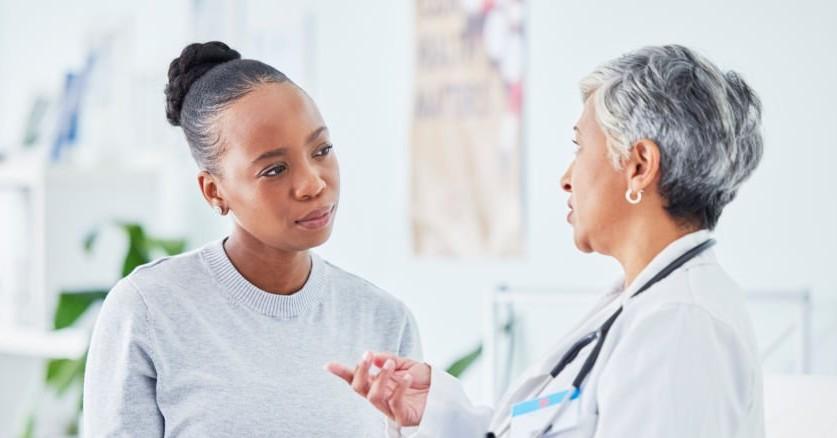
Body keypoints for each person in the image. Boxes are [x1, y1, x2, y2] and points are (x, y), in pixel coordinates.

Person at [327, 45, 765, 438]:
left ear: (639, 166)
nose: (566, 178)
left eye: (579, 148)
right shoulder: (642, 307)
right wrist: (437, 414)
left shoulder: (679, 325)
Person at [83, 41, 422, 437]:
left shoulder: (383, 319)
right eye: (275, 169)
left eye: (322, 149)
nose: (313, 183)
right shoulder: (147, 310)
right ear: (214, 191)